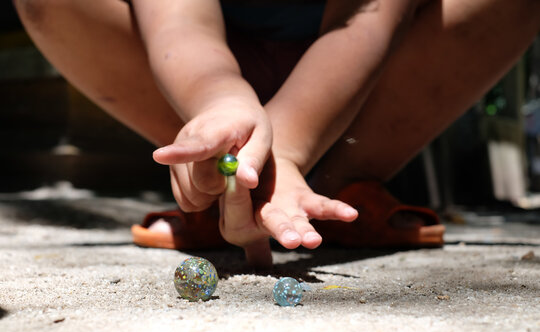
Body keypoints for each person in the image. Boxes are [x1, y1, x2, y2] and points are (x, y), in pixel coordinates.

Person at [14, 0, 540, 268]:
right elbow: (180, 25)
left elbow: (362, 28)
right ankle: (230, 181)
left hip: (369, 83)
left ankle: (312, 181)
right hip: (203, 72)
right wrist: (220, 101)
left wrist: (285, 146)